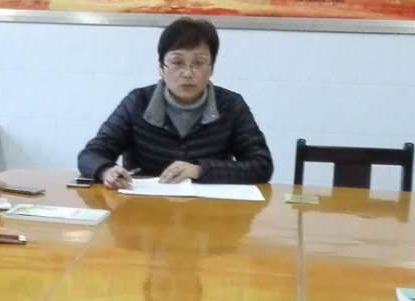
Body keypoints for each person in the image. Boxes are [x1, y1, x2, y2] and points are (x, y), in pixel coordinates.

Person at [78, 17, 273, 187]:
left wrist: (199, 170)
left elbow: (262, 165)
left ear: (211, 68)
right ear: (161, 68)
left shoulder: (231, 105)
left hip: (209, 211)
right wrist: (106, 170)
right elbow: (91, 155)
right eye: (177, 62)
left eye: (198, 63)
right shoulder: (138, 102)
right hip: (144, 208)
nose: (187, 73)